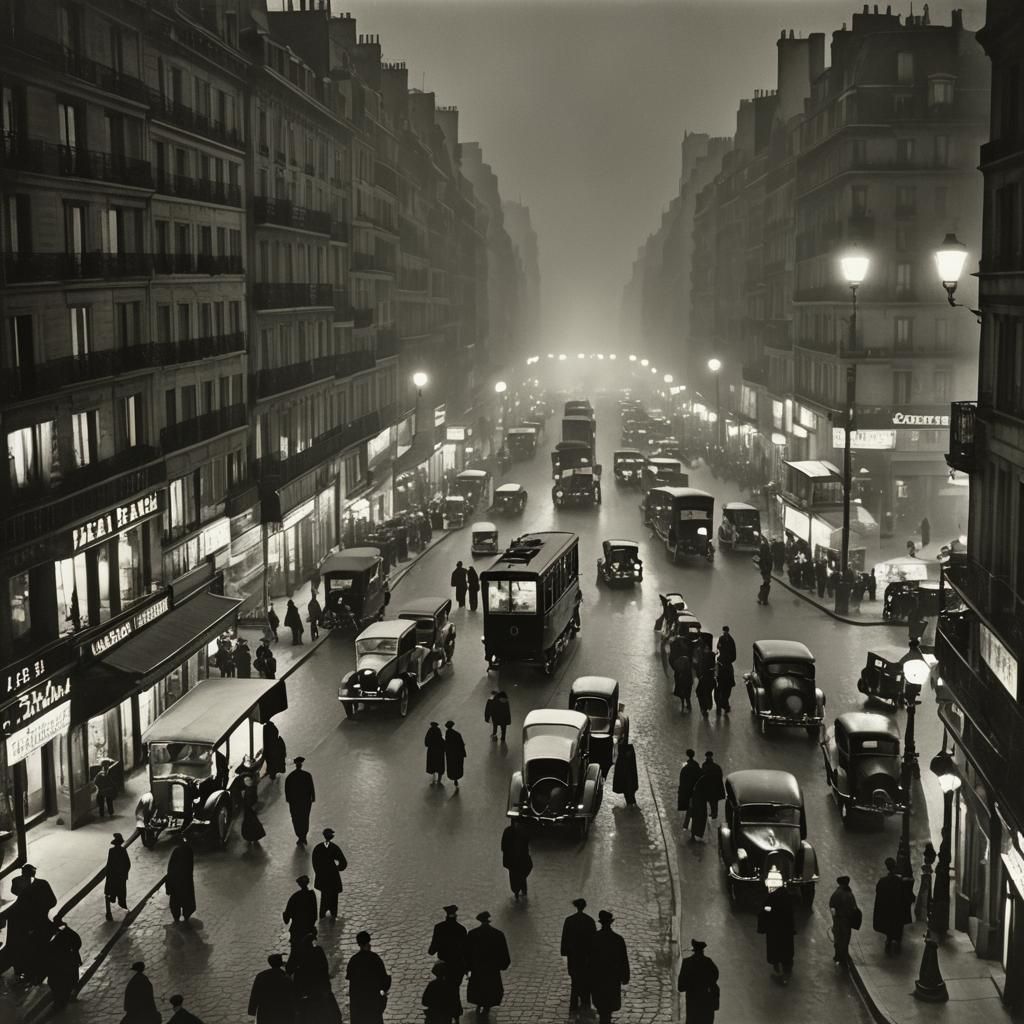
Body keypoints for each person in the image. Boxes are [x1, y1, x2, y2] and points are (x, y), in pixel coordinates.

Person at [8, 863, 57, 983]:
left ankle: (25, 972)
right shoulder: (42, 884)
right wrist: (43, 910)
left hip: (24, 924)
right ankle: (37, 974)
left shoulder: (17, 884)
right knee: (38, 948)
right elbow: (52, 901)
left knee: (22, 947)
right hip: (39, 922)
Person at [465, 911, 511, 1016]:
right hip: (492, 968)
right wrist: (503, 965)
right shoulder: (498, 934)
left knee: (479, 986)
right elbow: (503, 952)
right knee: (490, 986)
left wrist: (467, 967)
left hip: (478, 967)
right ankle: (487, 1005)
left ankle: (479, 1003)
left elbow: (467, 952)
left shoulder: (473, 934)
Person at [589, 910, 630, 1024]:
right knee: (608, 1007)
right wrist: (625, 976)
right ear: (610, 922)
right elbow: (623, 960)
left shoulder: (594, 938)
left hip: (598, 979)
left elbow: (590, 960)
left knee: (602, 1007)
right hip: (612, 979)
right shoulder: (618, 939)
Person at [345, 931, 391, 1024]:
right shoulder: (374, 958)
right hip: (372, 1002)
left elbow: (350, 978)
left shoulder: (353, 960)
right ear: (368, 942)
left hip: (358, 1004)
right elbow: (384, 980)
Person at [561, 897, 596, 1013]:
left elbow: (565, 938)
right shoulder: (590, 921)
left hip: (574, 956)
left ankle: (574, 1003)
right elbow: (593, 940)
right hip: (586, 957)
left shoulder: (569, 920)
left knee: (575, 980)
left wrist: (565, 952)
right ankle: (585, 1002)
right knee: (586, 979)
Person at [873, 857, 914, 952]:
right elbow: (905, 896)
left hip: (887, 908)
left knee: (889, 925)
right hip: (898, 909)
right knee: (898, 926)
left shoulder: (882, 881)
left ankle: (889, 940)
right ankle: (897, 941)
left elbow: (878, 892)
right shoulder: (900, 882)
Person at [759, 886, 796, 984]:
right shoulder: (788, 900)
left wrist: (762, 928)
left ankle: (780, 974)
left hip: (774, 932)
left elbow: (763, 913)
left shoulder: (771, 898)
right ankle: (786, 971)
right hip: (786, 933)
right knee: (786, 953)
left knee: (775, 952)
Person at [677, 939, 720, 1024]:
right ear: (702, 951)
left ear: (694, 951)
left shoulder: (686, 963)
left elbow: (681, 987)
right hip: (706, 1004)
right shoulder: (709, 962)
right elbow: (715, 977)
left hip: (693, 1004)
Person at [428, 904, 468, 988]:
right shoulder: (461, 929)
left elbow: (434, 946)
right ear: (456, 916)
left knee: (444, 987)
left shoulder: (439, 927)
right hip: (457, 965)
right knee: (455, 988)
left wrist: (431, 951)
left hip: (444, 965)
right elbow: (465, 950)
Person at [247, 953, 295, 1023]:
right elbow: (291, 996)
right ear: (281, 963)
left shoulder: (261, 976)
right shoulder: (286, 977)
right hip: (281, 1011)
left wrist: (252, 1011)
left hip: (266, 1011)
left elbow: (255, 994)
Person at [312, 827, 347, 920]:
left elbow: (314, 862)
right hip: (333, 876)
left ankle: (323, 912)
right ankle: (333, 912)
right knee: (334, 896)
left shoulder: (318, 848)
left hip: (323, 877)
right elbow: (343, 862)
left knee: (324, 895)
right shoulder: (334, 847)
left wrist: (319, 872)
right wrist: (337, 868)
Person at [46, 921, 82, 1009]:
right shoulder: (67, 938)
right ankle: (63, 999)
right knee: (66, 981)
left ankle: (60, 1001)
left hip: (62, 965)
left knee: (60, 982)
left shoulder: (58, 942)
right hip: (65, 963)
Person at [829, 875, 861, 966]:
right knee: (845, 939)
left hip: (838, 920)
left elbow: (832, 906)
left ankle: (838, 956)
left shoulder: (836, 893)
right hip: (846, 921)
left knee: (838, 938)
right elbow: (854, 908)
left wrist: (834, 918)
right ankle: (844, 956)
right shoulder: (849, 894)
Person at [285, 756, 316, 845]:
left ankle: (300, 836)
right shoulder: (307, 775)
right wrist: (312, 798)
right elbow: (311, 787)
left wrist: (289, 800)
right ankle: (303, 836)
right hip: (305, 802)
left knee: (296, 819)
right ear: (301, 765)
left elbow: (287, 791)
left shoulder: (290, 777)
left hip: (295, 803)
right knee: (305, 818)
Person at [500, 819, 533, 900]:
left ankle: (519, 892)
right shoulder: (510, 832)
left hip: (519, 860)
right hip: (514, 860)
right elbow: (504, 846)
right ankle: (518, 893)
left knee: (519, 876)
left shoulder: (520, 831)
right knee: (517, 877)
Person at [166, 835, 196, 923]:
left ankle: (176, 917)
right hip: (186, 879)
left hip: (176, 880)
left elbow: (171, 867)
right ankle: (186, 916)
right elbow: (190, 866)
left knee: (175, 900)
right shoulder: (189, 851)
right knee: (187, 899)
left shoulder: (176, 851)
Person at [283, 876, 318, 948]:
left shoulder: (295, 897)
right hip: (308, 928)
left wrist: (284, 914)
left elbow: (287, 917)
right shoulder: (311, 895)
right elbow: (314, 915)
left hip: (296, 930)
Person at [104, 832, 130, 922]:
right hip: (121, 877)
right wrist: (125, 874)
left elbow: (109, 864)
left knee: (110, 892)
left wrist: (108, 874)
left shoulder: (111, 851)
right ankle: (123, 906)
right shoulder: (123, 850)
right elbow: (127, 863)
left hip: (113, 876)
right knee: (122, 892)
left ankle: (109, 912)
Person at [677, 750, 701, 832]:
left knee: (690, 808)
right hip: (696, 791)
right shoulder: (697, 767)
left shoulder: (685, 769)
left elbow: (682, 782)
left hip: (688, 791)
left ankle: (687, 825)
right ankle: (690, 826)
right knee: (693, 808)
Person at [612, 742, 639, 807]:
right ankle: (631, 799)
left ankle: (630, 799)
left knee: (626, 775)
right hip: (625, 748)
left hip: (625, 749)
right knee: (628, 774)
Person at [700, 752, 725, 819]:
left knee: (712, 800)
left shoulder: (705, 765)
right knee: (713, 801)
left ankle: (714, 813)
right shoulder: (716, 766)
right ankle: (714, 813)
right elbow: (720, 776)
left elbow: (702, 775)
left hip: (709, 786)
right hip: (713, 786)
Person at [444, 721, 466, 789]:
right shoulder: (457, 734)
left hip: (450, 753)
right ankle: (456, 778)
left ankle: (454, 778)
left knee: (452, 766)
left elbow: (446, 744)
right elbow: (461, 744)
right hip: (457, 753)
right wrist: (463, 753)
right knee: (457, 765)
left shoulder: (447, 733)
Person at [695, 646, 715, 718]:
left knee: (701, 692)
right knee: (704, 692)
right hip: (707, 678)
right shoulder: (709, 655)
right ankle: (706, 707)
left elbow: (700, 667)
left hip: (705, 678)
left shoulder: (706, 657)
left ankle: (705, 707)